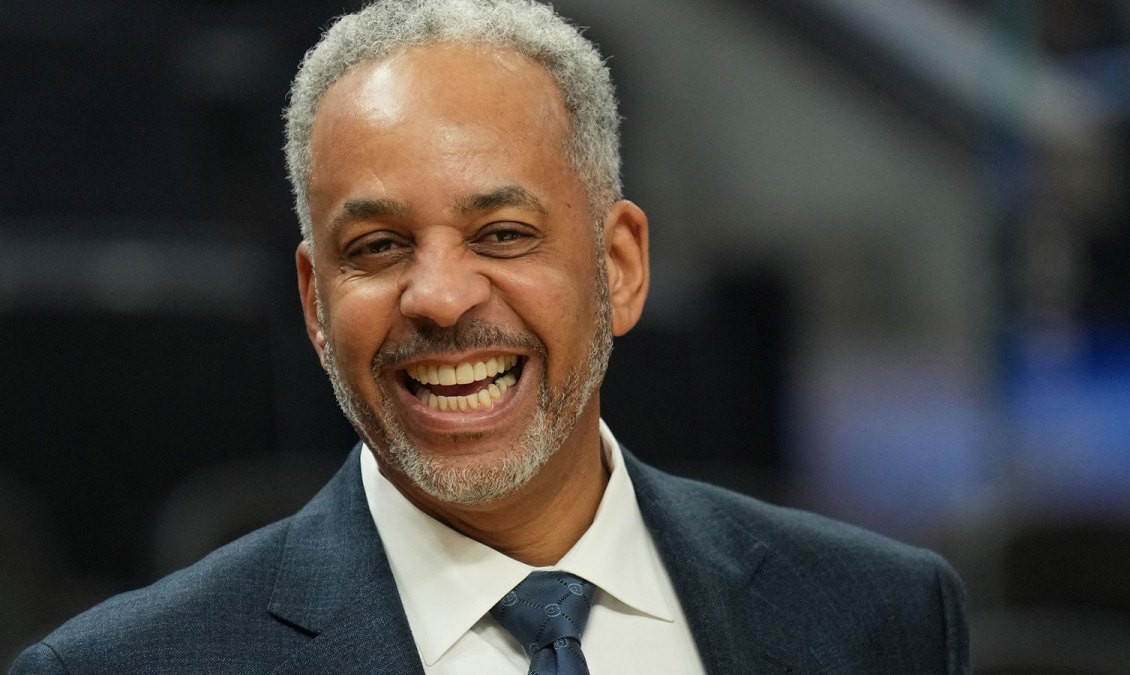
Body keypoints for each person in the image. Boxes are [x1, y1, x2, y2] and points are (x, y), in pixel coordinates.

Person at [10, 0, 969, 672]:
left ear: (621, 265)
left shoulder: (881, 617)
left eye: (502, 234)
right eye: (378, 246)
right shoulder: (127, 667)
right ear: (313, 302)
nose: (436, 296)